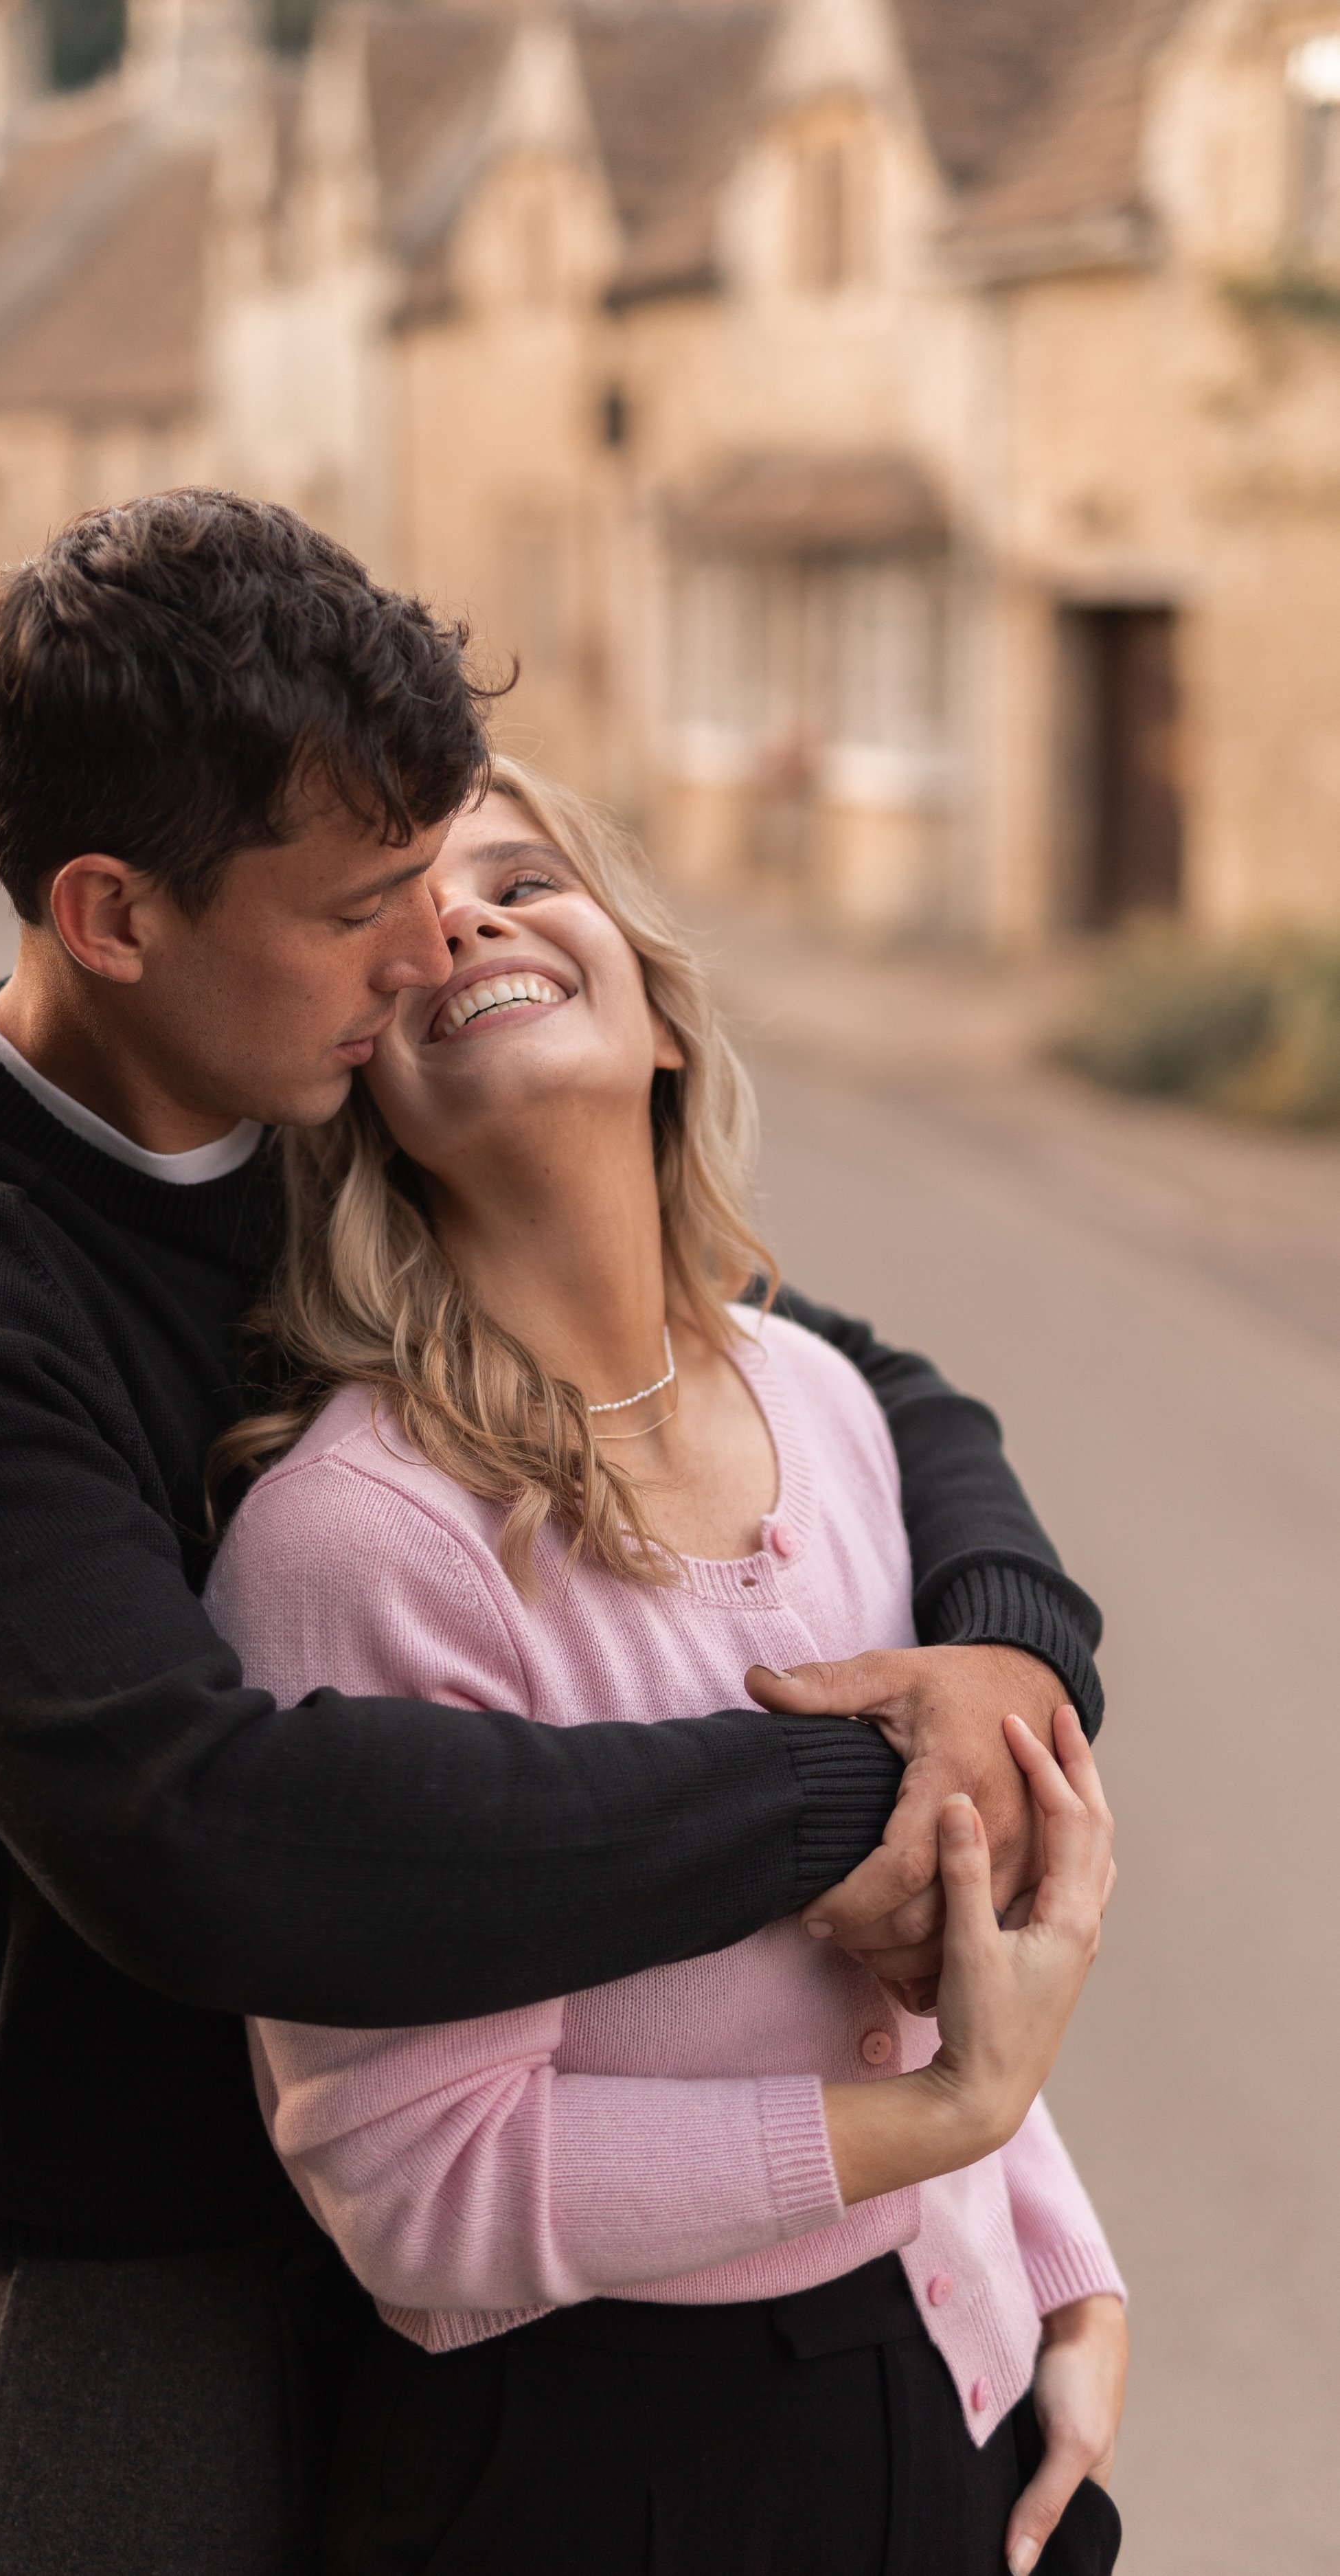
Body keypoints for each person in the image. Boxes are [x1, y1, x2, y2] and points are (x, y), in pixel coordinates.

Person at [0, 492, 1108, 2576]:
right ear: (112, 917)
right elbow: (208, 1838)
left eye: (464, 865)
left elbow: (833, 1382)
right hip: (155, 2239)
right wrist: (857, 1787)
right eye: (368, 894)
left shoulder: (332, 1089)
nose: (431, 942)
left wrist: (998, 1677)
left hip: (572, 2272)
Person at [207, 759, 1126, 2576]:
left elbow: (952, 1963)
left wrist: (1051, 2256)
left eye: (523, 873)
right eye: (395, 915)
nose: (463, 916)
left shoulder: (823, 1403)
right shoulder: (360, 1541)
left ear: (659, 1016)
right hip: (599, 2464)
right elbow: (412, 2185)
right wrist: (945, 2118)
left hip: (954, 2372)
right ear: (354, 1083)